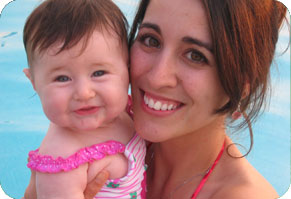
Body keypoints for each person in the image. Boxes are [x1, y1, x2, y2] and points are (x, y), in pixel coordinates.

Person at [25, 0, 287, 198]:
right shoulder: (95, 124)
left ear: (241, 90)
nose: (157, 76)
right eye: (151, 40)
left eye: (195, 56)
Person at [22, 0, 146, 198]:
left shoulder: (126, 112)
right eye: (62, 78)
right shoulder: (62, 159)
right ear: (34, 82)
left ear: (128, 69)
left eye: (99, 72)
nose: (84, 93)